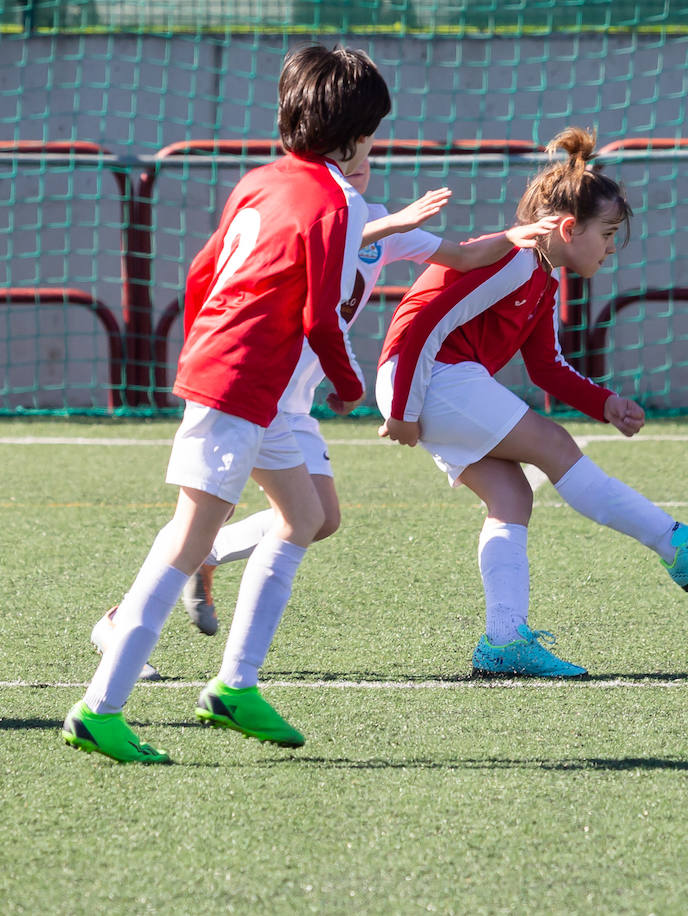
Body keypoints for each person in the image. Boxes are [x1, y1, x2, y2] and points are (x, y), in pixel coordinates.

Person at [92, 160, 560, 669]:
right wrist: (393, 224)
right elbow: (328, 238)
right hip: (248, 386)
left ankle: (212, 581)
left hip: (290, 402)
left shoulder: (378, 221)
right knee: (198, 521)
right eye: (347, 156)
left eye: (365, 154)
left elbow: (463, 257)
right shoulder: (316, 209)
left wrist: (513, 237)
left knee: (319, 517)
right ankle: (131, 635)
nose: (358, 167)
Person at [62, 44, 392, 763]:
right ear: (356, 134)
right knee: (186, 539)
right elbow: (320, 317)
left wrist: (212, 342)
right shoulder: (339, 202)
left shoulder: (263, 178)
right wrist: (347, 383)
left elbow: (202, 269)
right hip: (244, 383)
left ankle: (235, 686)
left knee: (305, 516)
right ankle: (100, 707)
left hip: (250, 382)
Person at [376, 126, 688, 678]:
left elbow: (545, 367)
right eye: (606, 233)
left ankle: (504, 643)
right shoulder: (510, 257)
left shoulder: (543, 279)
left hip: (433, 381)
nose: (610, 248)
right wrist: (404, 410)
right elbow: (422, 325)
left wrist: (604, 404)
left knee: (510, 497)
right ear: (569, 228)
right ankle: (678, 546)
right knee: (554, 445)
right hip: (426, 375)